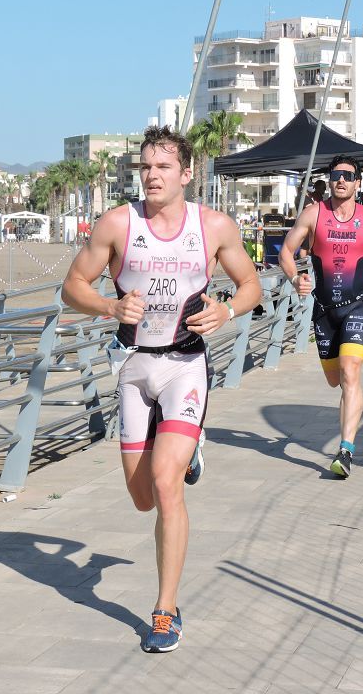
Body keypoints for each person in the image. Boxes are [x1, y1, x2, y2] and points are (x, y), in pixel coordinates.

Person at [60, 125, 261, 653]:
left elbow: (252, 285)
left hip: (185, 366)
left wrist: (226, 310)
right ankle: (185, 451)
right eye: (145, 167)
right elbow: (72, 286)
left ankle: (165, 612)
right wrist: (108, 306)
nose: (151, 175)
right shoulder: (118, 224)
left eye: (163, 166)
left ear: (187, 174)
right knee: (142, 497)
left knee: (167, 486)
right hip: (133, 368)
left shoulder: (213, 226)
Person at [280, 155, 363, 479]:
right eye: (335, 175)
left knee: (350, 370)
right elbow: (286, 252)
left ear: (358, 182)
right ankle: (346, 435)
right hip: (325, 310)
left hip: (359, 305)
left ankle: (346, 450)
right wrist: (294, 279)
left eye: (348, 175)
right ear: (329, 179)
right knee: (336, 380)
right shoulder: (314, 214)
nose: (341, 180)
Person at [298, 177, 327, 260]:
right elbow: (314, 208)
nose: (324, 189)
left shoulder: (317, 196)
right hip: (308, 223)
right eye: (323, 187)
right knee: (305, 246)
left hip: (315, 224)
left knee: (310, 246)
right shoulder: (313, 196)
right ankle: (304, 265)